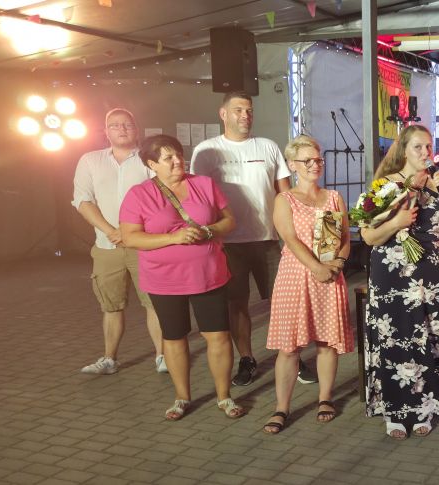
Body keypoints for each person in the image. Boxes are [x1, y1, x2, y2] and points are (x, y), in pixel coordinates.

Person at [120, 134, 245, 421]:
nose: (178, 161)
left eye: (179, 154)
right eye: (168, 158)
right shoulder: (139, 195)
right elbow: (130, 237)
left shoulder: (204, 184)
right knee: (174, 337)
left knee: (218, 336)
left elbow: (229, 221)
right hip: (164, 280)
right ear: (152, 164)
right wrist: (173, 238)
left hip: (208, 275)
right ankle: (182, 397)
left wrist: (209, 231)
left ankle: (224, 396)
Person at [362, 125, 439, 440]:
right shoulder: (385, 185)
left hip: (431, 276)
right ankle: (394, 413)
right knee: (394, 338)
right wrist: (396, 222)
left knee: (429, 338)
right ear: (404, 151)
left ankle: (425, 408)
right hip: (392, 274)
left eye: (429, 147)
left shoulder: (438, 183)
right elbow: (368, 235)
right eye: (418, 147)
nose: (425, 153)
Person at [190, 91, 301, 387]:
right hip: (228, 244)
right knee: (237, 304)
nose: (245, 115)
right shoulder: (206, 150)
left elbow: (285, 194)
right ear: (223, 114)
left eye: (249, 110)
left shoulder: (267, 146)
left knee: (284, 302)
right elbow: (198, 197)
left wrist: (292, 233)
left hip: (268, 240)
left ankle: (291, 356)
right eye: (238, 109)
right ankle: (247, 358)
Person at [262, 135, 353, 434]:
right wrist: (316, 267)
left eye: (318, 159)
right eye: (307, 160)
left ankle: (325, 398)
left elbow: (345, 237)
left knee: (327, 343)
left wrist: (337, 264)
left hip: (329, 276)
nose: (315, 164)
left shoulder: (333, 197)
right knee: (289, 347)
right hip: (296, 277)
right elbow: (289, 239)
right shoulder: (284, 199)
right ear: (292, 165)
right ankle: (282, 407)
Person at [72, 108, 164, 375]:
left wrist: (131, 233)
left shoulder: (149, 160)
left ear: (136, 129)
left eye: (127, 124)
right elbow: (83, 200)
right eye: (115, 125)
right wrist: (111, 231)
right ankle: (109, 359)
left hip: (143, 246)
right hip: (107, 247)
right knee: (111, 306)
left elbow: (161, 198)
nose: (121, 129)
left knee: (154, 303)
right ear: (105, 131)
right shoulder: (90, 161)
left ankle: (162, 357)